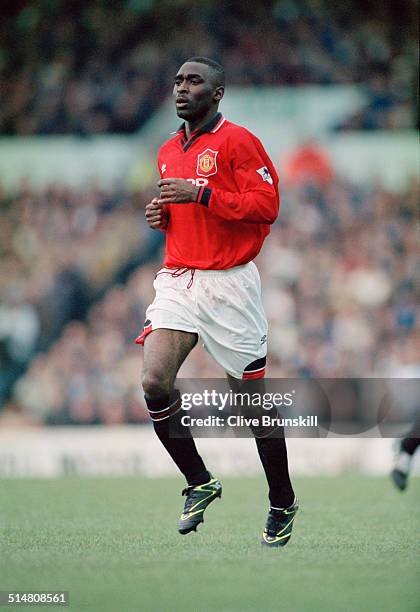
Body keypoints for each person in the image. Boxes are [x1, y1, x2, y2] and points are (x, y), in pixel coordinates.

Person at [137, 57, 297, 547]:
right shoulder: (166, 149)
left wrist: (200, 194)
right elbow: (184, 210)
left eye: (194, 81)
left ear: (218, 93)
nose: (182, 88)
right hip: (181, 279)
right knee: (153, 379)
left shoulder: (239, 141)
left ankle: (282, 501)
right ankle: (199, 481)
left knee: (252, 405)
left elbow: (266, 206)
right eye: (178, 81)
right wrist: (162, 216)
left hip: (230, 285)